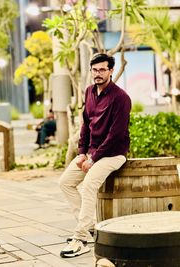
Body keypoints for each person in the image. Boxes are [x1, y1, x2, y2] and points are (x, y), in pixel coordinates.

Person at [59, 53, 132, 258]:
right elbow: (86, 125)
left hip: (113, 154)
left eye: (102, 70)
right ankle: (91, 228)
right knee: (65, 182)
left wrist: (94, 158)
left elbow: (115, 135)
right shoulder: (89, 91)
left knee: (90, 183)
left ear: (110, 71)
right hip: (92, 153)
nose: (98, 74)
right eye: (94, 70)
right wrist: (82, 153)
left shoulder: (121, 98)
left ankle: (80, 238)